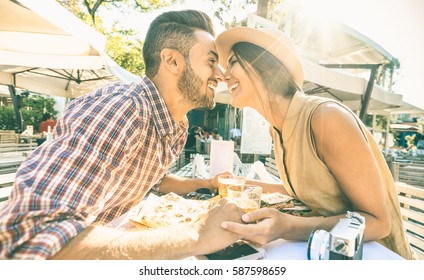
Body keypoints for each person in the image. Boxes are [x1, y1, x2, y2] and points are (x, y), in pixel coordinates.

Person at [0, 10, 242, 260]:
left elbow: (153, 180)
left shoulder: (174, 124)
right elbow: (32, 242)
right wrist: (197, 235)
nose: (221, 75)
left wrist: (207, 183)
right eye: (211, 61)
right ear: (171, 61)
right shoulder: (121, 111)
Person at [215, 26, 416, 259]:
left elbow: (379, 223)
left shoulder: (325, 118)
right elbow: (300, 192)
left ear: (264, 66)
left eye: (232, 63)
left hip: (376, 259)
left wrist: (288, 227)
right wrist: (236, 182)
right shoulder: (277, 129)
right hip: (323, 254)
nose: (224, 75)